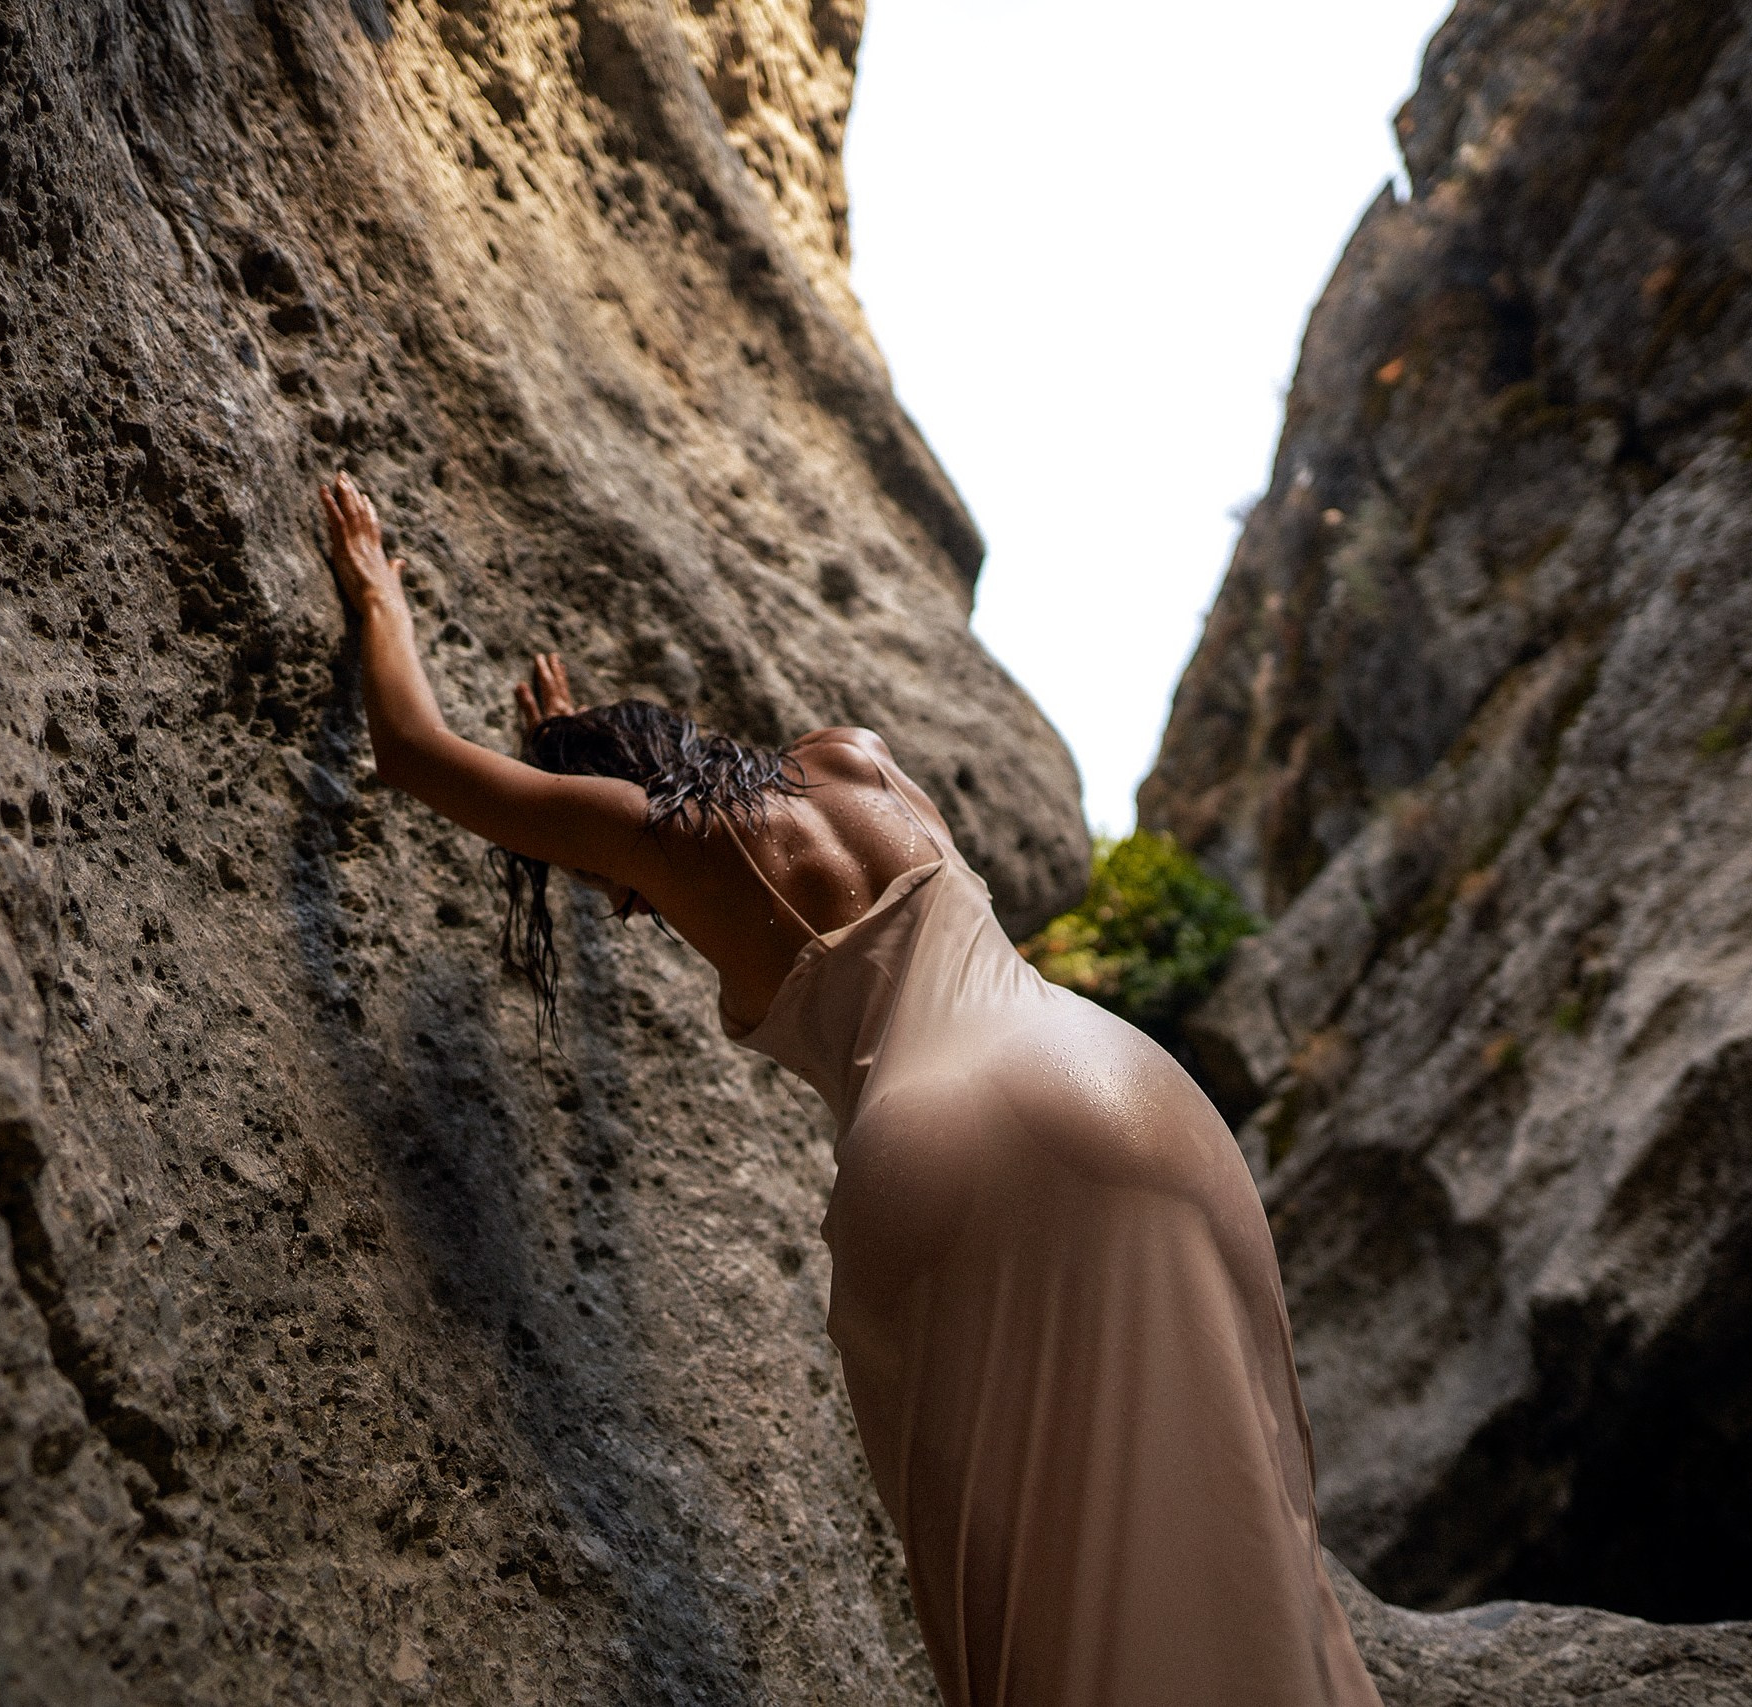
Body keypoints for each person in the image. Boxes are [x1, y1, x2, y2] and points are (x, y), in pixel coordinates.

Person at [320, 473, 1381, 1706]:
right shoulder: (857, 761)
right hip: (1130, 1088)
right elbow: (693, 800)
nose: (628, 908)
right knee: (1236, 1504)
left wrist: (379, 587)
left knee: (1028, 1598)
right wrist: (580, 749)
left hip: (941, 1146)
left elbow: (411, 751)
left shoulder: (661, 848)